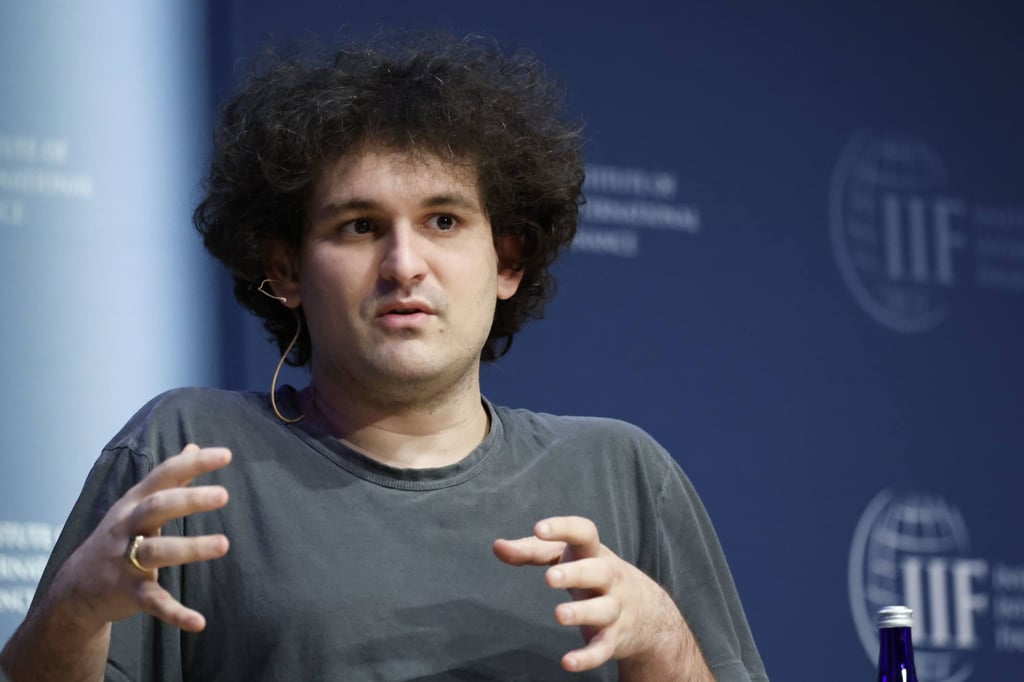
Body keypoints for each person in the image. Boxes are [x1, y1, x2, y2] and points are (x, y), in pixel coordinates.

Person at [0, 34, 768, 681]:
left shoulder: (621, 473)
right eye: (361, 226)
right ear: (287, 271)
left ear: (507, 262)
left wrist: (665, 641)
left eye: (443, 219)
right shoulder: (190, 455)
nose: (405, 264)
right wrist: (71, 617)